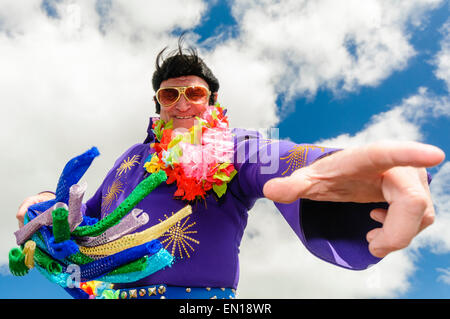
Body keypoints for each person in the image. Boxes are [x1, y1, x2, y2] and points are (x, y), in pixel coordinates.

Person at [16, 41, 445, 299]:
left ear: (212, 100)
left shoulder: (233, 146)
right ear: (158, 105)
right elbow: (85, 219)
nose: (182, 103)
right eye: (170, 94)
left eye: (194, 92)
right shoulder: (129, 159)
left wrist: (335, 169)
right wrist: (43, 204)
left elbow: (282, 160)